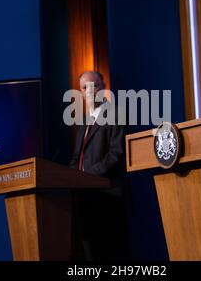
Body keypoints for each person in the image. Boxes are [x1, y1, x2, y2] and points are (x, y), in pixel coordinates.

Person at [69, 70, 131, 261]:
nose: (89, 91)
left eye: (93, 86)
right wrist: (69, 176)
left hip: (109, 201)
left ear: (103, 87)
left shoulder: (116, 113)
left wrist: (85, 176)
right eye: (84, 87)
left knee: (112, 256)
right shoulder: (82, 122)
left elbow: (117, 155)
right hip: (85, 202)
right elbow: (76, 159)